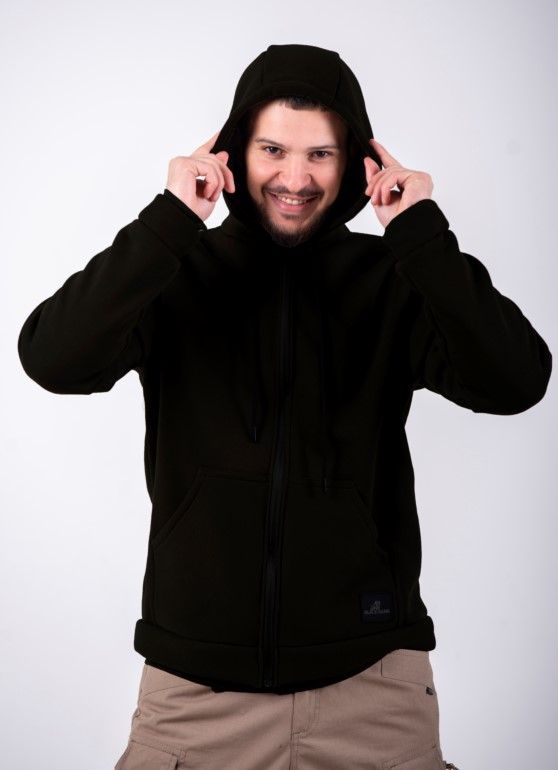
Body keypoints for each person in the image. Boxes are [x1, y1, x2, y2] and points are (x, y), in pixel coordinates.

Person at [17, 42, 551, 770]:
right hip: (196, 695)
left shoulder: (394, 280)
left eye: (321, 155)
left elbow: (517, 381)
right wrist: (170, 221)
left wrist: (421, 235)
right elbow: (52, 359)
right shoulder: (175, 271)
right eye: (272, 150)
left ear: (355, 162)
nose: (295, 179)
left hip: (374, 687)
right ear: (235, 151)